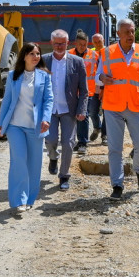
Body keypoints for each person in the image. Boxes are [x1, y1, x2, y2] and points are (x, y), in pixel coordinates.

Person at [97, 18, 139, 200]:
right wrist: (101, 78)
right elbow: (97, 76)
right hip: (113, 105)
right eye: (127, 32)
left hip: (136, 104)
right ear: (118, 34)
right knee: (115, 148)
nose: (131, 35)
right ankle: (117, 185)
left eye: (133, 31)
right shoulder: (106, 53)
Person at [0, 43, 53, 216]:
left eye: (38, 54)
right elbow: (7, 101)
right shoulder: (14, 76)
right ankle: (19, 200)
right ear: (24, 56)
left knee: (34, 164)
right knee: (19, 160)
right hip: (15, 126)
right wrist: (1, 123)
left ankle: (30, 199)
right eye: (32, 53)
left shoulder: (45, 76)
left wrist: (46, 119)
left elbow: (48, 100)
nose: (36, 56)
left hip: (35, 126)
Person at [40, 29, 88, 191]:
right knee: (51, 140)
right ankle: (53, 156)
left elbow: (84, 90)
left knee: (68, 143)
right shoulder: (44, 61)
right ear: (52, 43)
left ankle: (64, 176)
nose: (60, 46)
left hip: (69, 110)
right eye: (56, 43)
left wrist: (82, 109)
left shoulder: (77, 62)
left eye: (63, 43)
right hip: (50, 110)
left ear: (68, 44)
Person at [71, 30, 93, 154]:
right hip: (72, 92)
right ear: (75, 43)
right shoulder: (68, 54)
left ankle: (83, 143)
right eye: (80, 44)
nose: (82, 47)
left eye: (84, 44)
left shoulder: (93, 55)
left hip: (87, 92)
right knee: (72, 117)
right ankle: (74, 141)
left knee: (83, 116)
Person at [87, 33, 107, 145]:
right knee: (92, 111)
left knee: (106, 113)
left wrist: (104, 87)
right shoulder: (91, 53)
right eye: (95, 42)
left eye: (99, 41)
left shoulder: (108, 52)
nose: (98, 44)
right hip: (93, 88)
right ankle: (97, 127)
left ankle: (105, 135)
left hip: (106, 87)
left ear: (103, 40)